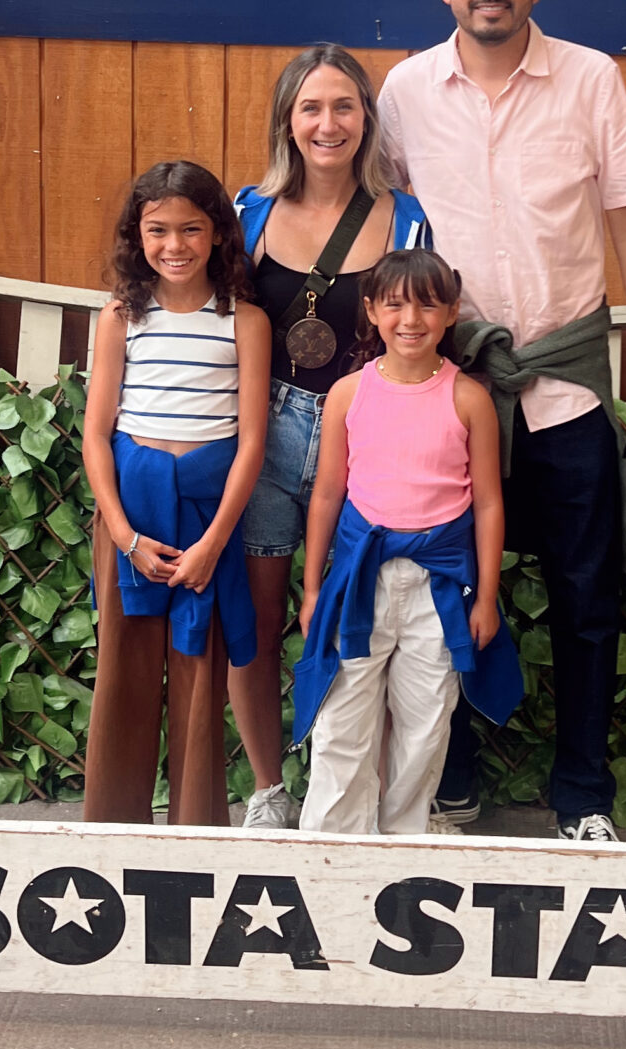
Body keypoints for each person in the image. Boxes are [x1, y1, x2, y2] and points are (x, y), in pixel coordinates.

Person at [376, 0, 626, 845]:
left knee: (587, 599)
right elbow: (381, 223)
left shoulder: (589, 80)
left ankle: (583, 796)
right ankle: (452, 778)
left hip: (566, 384)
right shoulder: (406, 92)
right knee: (446, 595)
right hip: (452, 390)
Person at [230, 44, 431, 832]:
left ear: (367, 119)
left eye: (344, 106)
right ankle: (267, 789)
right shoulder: (249, 215)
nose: (328, 123)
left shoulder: (407, 217)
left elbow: (420, 338)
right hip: (263, 440)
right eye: (311, 107)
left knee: (357, 625)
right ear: (288, 119)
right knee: (257, 618)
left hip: (366, 447)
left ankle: (342, 790)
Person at [293, 249, 522, 838]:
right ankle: (330, 844)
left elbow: (489, 503)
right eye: (394, 304)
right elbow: (326, 495)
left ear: (451, 313)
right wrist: (314, 587)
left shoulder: (468, 398)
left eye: (427, 304)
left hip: (439, 583)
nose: (411, 319)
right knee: (344, 716)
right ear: (370, 311)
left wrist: (486, 597)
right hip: (358, 580)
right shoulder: (349, 393)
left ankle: (403, 841)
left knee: (425, 719)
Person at [81, 160, 270, 827]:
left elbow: (251, 441)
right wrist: (124, 536)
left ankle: (197, 830)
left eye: (191, 228)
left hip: (204, 521)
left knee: (199, 671)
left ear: (219, 231)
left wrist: (215, 543)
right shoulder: (119, 317)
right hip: (132, 517)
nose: (175, 245)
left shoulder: (244, 321)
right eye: (158, 230)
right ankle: (110, 824)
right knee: (123, 673)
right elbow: (96, 435)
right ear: (138, 234)